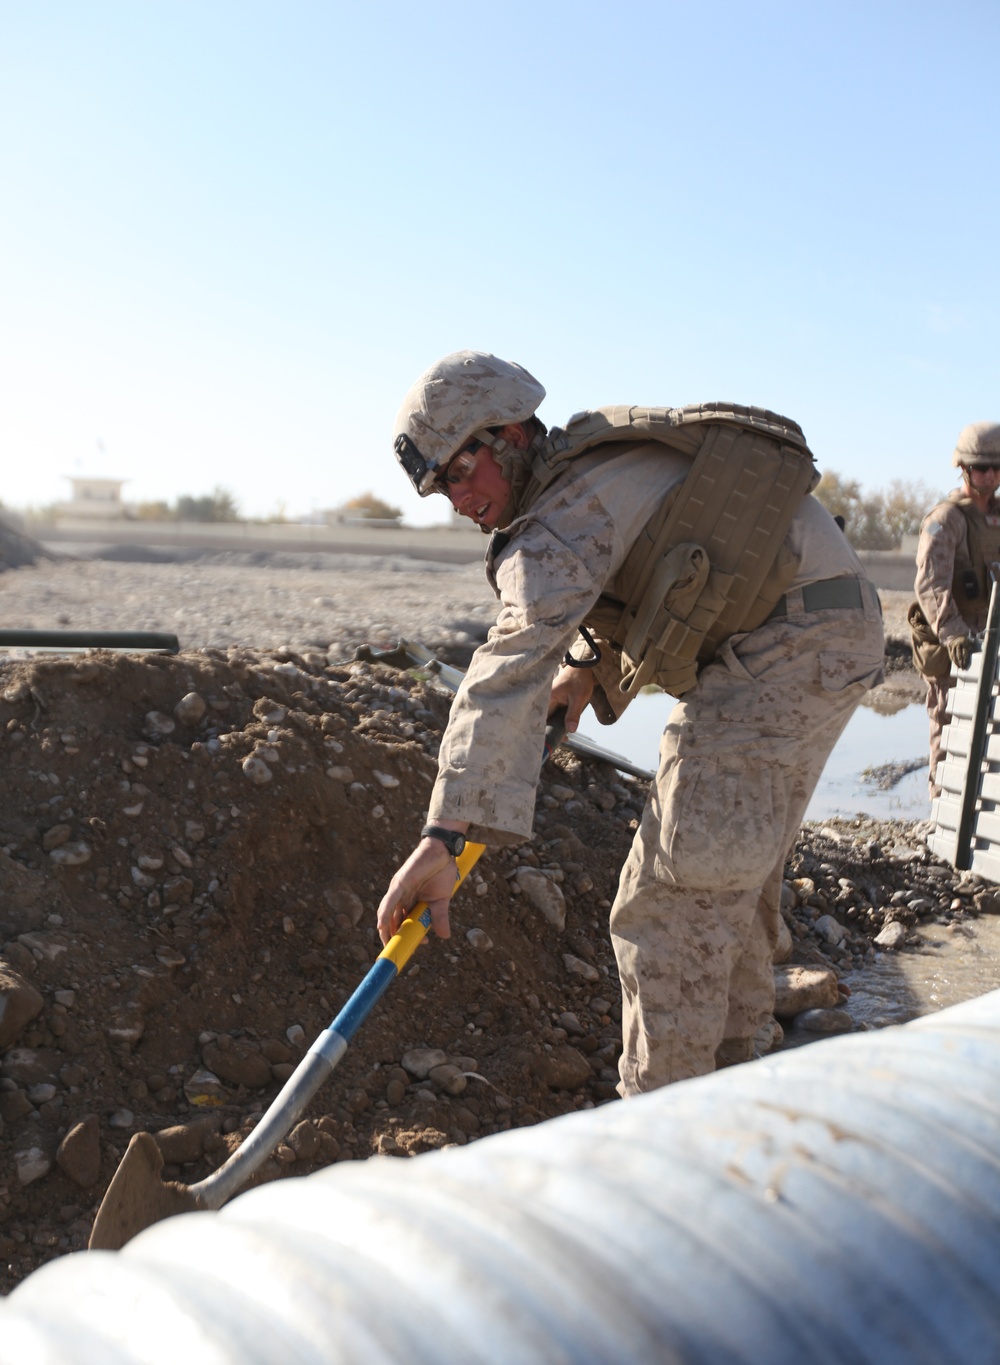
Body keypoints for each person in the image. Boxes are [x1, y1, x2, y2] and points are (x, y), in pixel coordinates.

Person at [376, 351, 885, 1095]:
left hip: (787, 646)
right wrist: (585, 675)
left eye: (459, 472)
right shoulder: (593, 473)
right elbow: (670, 567)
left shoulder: (560, 516)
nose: (455, 499)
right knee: (726, 881)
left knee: (668, 903)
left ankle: (660, 1138)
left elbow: (504, 670)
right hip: (822, 630)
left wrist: (444, 837)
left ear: (509, 434)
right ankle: (736, 1085)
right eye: (441, 487)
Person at [912, 421, 1000, 799]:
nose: (991, 475)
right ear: (964, 468)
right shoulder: (945, 519)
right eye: (982, 467)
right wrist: (953, 635)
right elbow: (931, 585)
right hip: (958, 645)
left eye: (998, 467)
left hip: (992, 639)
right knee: (950, 727)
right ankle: (942, 817)